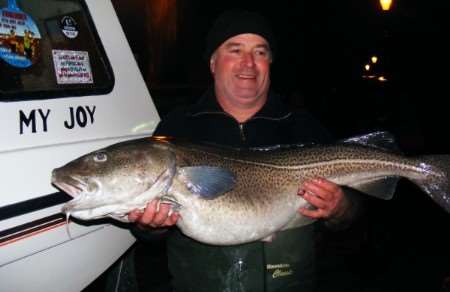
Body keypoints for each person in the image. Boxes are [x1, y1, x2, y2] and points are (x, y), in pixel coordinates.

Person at [128, 10, 361, 292]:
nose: (248, 63)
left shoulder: (303, 127)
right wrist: (151, 226)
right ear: (213, 63)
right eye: (235, 49)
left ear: (270, 63)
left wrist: (341, 208)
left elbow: (355, 215)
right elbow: (150, 236)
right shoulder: (177, 129)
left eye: (260, 52)